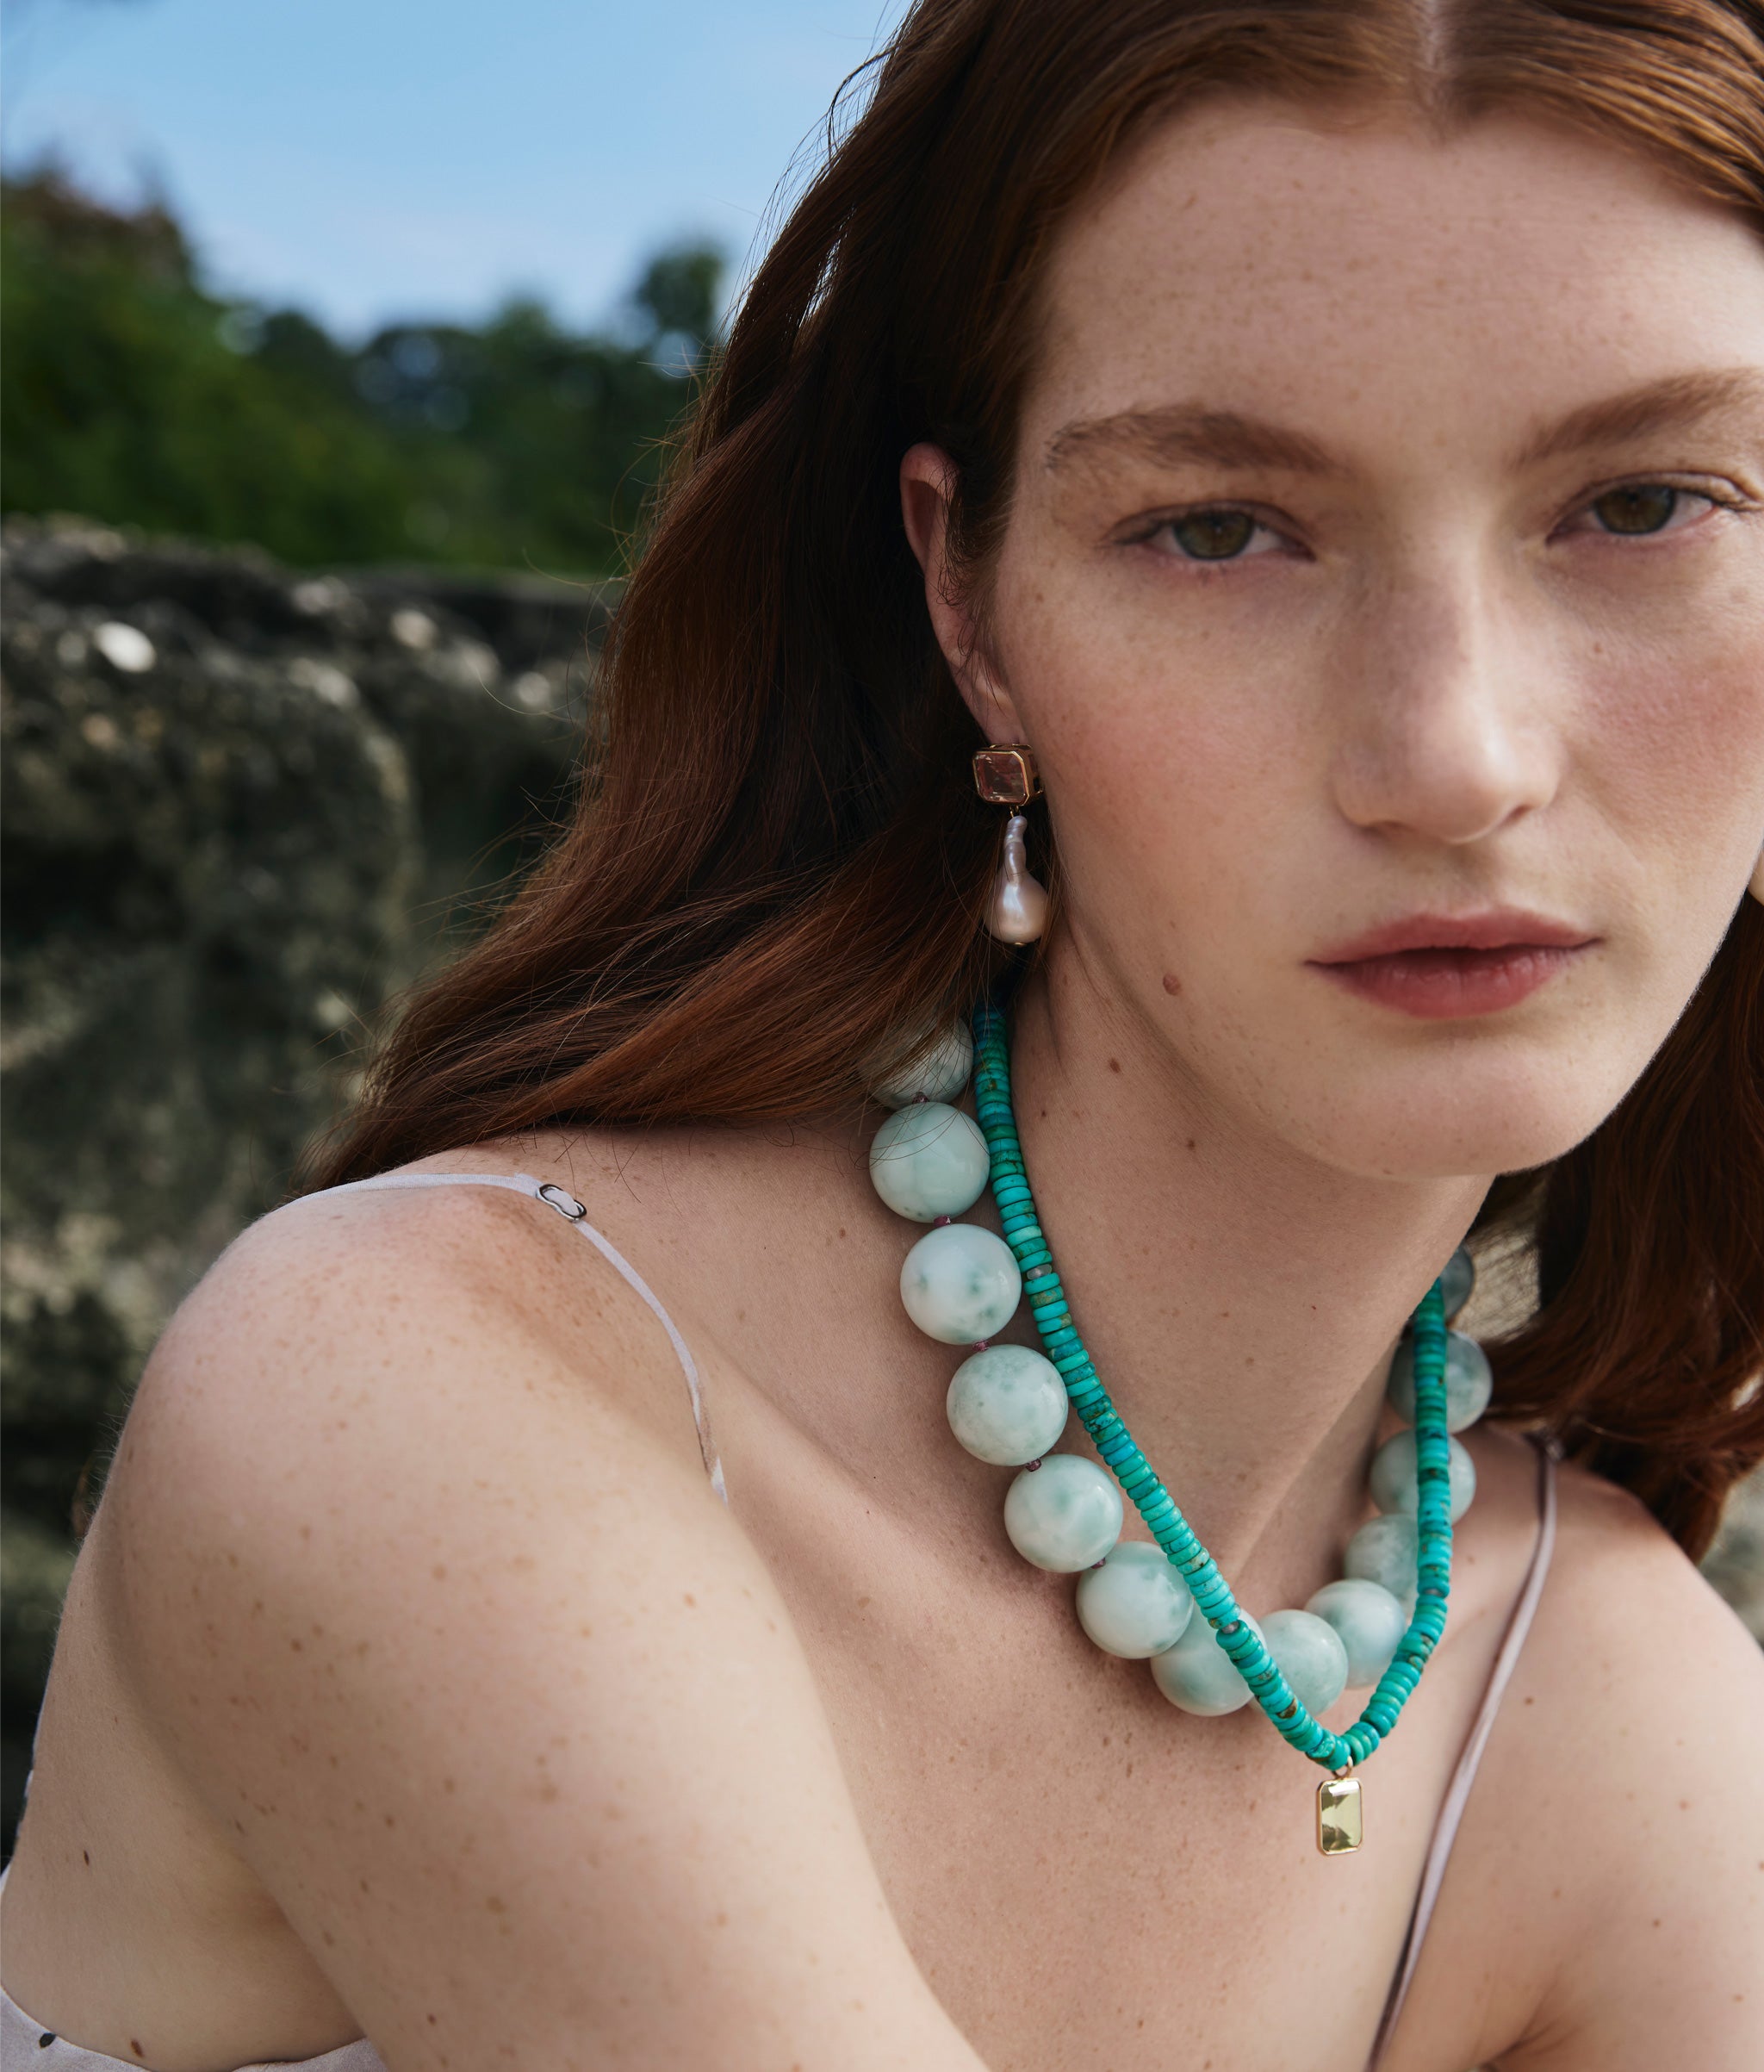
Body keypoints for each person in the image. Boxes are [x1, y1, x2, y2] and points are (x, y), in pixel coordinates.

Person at [4, 2, 1763, 2066]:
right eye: (1215, 527)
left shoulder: (1586, 1677)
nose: (1453, 757)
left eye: (1641, 504)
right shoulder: (436, 1396)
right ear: (966, 602)